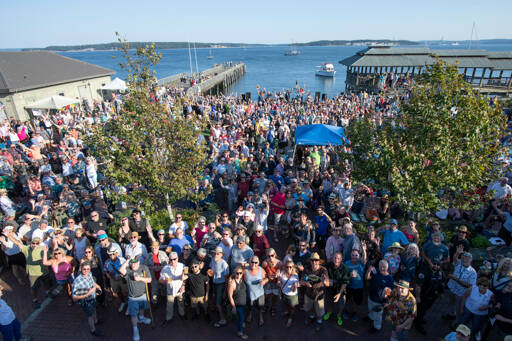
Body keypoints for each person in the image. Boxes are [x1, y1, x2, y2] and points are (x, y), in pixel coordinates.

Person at [118, 255, 153, 341]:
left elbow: (149, 280)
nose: (133, 265)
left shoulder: (144, 268)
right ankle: (135, 329)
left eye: (135, 263)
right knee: (133, 315)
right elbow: (121, 270)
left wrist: (140, 278)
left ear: (139, 262)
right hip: (132, 298)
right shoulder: (128, 270)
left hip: (143, 295)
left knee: (142, 308)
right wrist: (128, 260)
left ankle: (141, 318)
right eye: (132, 263)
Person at [9, 236, 49, 308]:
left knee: (46, 283)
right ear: (31, 243)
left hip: (43, 271)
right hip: (33, 273)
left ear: (39, 243)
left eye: (37, 243)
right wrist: (8, 235)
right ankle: (35, 300)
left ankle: (47, 292)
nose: (35, 245)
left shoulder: (43, 249)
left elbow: (49, 259)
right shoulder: (26, 248)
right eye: (33, 243)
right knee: (33, 288)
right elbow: (17, 243)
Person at [443, 248, 477, 322]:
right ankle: (451, 314)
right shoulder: (459, 263)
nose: (465, 259)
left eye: (467, 258)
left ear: (471, 260)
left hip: (461, 293)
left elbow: (469, 286)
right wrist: (457, 253)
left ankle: (457, 323)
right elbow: (455, 259)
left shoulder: (473, 272)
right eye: (463, 257)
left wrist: (456, 279)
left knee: (459, 307)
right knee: (451, 302)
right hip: (452, 288)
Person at [72, 261, 103, 336]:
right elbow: (74, 298)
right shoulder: (77, 281)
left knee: (94, 309)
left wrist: (97, 286)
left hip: (92, 298)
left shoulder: (89, 274)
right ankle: (93, 330)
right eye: (84, 269)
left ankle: (96, 321)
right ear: (81, 269)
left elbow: (92, 282)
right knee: (90, 315)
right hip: (85, 301)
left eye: (88, 269)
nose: (86, 271)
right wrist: (87, 294)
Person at [414, 260, 444, 335]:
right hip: (423, 296)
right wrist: (417, 297)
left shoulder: (440, 273)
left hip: (432, 296)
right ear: (430, 263)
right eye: (434, 263)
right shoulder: (423, 272)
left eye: (438, 264)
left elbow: (441, 283)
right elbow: (418, 286)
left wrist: (441, 293)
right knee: (420, 310)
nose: (436, 266)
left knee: (425, 309)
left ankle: (419, 319)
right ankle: (418, 324)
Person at [302, 252, 330, 332]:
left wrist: (324, 281)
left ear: (319, 261)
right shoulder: (306, 268)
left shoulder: (323, 270)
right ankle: (311, 316)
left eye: (316, 260)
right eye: (312, 260)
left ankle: (319, 321)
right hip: (308, 293)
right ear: (310, 261)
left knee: (320, 311)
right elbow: (302, 280)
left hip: (319, 295)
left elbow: (328, 284)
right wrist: (306, 283)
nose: (314, 262)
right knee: (308, 308)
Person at [366, 259, 394, 333]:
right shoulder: (376, 272)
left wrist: (386, 300)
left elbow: (390, 292)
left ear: (387, 268)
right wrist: (369, 271)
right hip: (371, 296)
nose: (382, 268)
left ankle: (377, 327)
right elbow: (367, 278)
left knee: (378, 316)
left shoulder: (390, 279)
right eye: (380, 266)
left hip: (379, 301)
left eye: (384, 267)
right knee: (371, 308)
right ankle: (371, 317)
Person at [323, 251, 350, 327]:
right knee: (329, 302)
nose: (336, 260)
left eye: (338, 258)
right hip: (329, 290)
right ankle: (329, 312)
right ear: (332, 258)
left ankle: (339, 315)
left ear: (341, 259)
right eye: (335, 257)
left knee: (341, 305)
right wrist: (325, 279)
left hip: (340, 291)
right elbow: (323, 271)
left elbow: (345, 282)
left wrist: (339, 293)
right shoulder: (328, 265)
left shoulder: (345, 268)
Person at [159, 251, 186, 325]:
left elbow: (186, 277)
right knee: (169, 305)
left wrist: (183, 285)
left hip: (180, 289)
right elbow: (160, 280)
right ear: (169, 260)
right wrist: (165, 281)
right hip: (170, 290)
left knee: (181, 303)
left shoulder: (182, 266)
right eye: (171, 260)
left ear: (177, 259)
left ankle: (182, 314)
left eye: (174, 259)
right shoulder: (165, 268)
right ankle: (169, 318)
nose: (173, 261)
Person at [343, 246, 367, 322]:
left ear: (359, 256)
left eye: (356, 255)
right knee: (347, 300)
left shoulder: (361, 263)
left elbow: (365, 259)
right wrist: (349, 275)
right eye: (353, 255)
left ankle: (355, 313)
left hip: (359, 287)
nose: (354, 256)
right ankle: (346, 311)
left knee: (357, 302)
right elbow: (344, 275)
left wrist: (363, 250)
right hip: (349, 286)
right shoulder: (347, 263)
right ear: (350, 256)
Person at [104, 246, 128, 314]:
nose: (111, 256)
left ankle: (128, 303)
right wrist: (107, 274)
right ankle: (123, 302)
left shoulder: (122, 260)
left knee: (126, 292)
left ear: (116, 253)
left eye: (113, 254)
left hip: (122, 278)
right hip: (113, 279)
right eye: (110, 254)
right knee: (117, 292)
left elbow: (128, 268)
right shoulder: (107, 262)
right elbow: (105, 270)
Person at [244, 255, 268, 327]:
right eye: (252, 262)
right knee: (250, 306)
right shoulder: (245, 270)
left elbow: (267, 278)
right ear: (249, 262)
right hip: (249, 293)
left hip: (259, 293)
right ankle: (250, 314)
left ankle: (260, 316)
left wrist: (264, 281)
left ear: (258, 263)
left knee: (260, 306)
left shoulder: (261, 270)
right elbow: (237, 275)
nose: (254, 264)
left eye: (256, 262)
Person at [210, 246, 229, 328]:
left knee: (218, 303)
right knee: (215, 298)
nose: (216, 255)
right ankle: (218, 312)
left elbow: (227, 278)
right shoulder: (213, 260)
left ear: (221, 255)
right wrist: (209, 272)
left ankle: (223, 319)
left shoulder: (224, 264)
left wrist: (225, 290)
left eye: (218, 254)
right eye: (215, 253)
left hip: (221, 284)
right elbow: (211, 270)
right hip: (214, 282)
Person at [227, 265, 248, 339]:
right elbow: (230, 296)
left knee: (241, 317)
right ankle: (240, 332)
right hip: (237, 304)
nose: (239, 275)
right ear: (234, 273)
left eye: (240, 273)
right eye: (237, 273)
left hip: (243, 303)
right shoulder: (232, 283)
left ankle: (241, 323)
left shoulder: (242, 280)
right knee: (241, 318)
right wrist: (233, 307)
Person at [279, 260, 300, 327]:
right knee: (286, 304)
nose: (289, 268)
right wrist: (279, 282)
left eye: (290, 267)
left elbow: (294, 290)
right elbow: (279, 281)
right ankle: (288, 312)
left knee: (292, 307)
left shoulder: (295, 275)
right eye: (287, 267)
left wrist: (294, 287)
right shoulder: (282, 272)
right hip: (284, 293)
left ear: (293, 267)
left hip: (292, 295)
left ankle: (290, 318)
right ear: (285, 267)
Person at [261, 248, 282, 316]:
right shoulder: (265, 263)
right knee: (266, 296)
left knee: (274, 297)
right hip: (268, 282)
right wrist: (267, 275)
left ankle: (273, 308)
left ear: (275, 255)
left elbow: (283, 273)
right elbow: (261, 272)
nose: (270, 257)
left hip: (276, 283)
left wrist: (279, 275)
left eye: (272, 255)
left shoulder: (279, 263)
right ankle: (266, 306)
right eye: (268, 256)